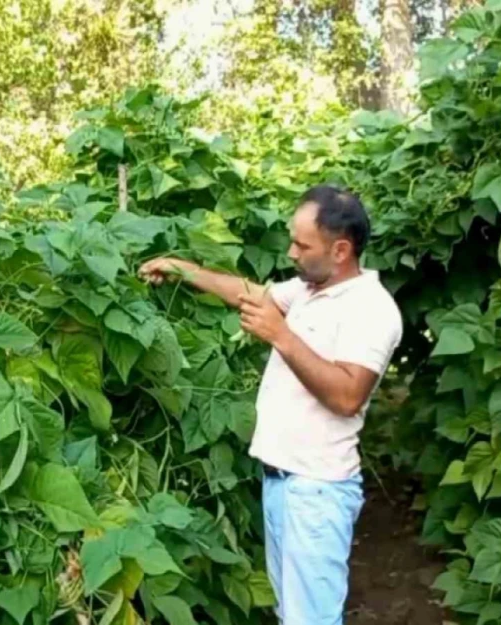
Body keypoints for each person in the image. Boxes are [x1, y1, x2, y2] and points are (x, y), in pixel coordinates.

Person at [138, 185, 403, 625]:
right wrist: (185, 270)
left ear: (340, 250)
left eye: (303, 244)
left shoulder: (371, 309)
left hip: (317, 491)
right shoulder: (307, 290)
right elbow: (249, 292)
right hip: (283, 485)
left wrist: (280, 335)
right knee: (293, 616)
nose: (292, 252)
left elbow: (347, 395)